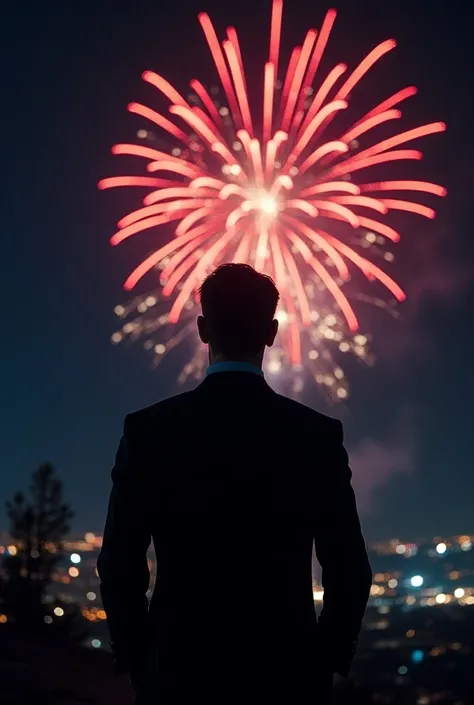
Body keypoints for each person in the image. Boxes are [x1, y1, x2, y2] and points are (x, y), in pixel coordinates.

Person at [98, 263, 372, 704]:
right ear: (272, 331)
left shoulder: (149, 431)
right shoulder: (315, 435)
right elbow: (349, 568)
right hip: (287, 675)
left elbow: (119, 562)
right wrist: (326, 660)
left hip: (177, 672)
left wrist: (138, 658)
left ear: (203, 330)